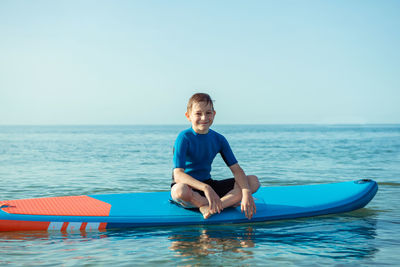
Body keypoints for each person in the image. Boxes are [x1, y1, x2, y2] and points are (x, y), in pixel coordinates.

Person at [171, 93, 260, 219]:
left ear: (214, 114)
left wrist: (246, 193)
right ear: (188, 116)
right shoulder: (184, 137)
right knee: (179, 191)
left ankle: (211, 206)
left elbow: (236, 170)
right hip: (190, 187)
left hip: (209, 184)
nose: (204, 117)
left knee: (253, 181)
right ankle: (225, 203)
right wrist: (206, 188)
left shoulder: (219, 139)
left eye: (208, 113)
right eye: (198, 113)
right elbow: (178, 175)